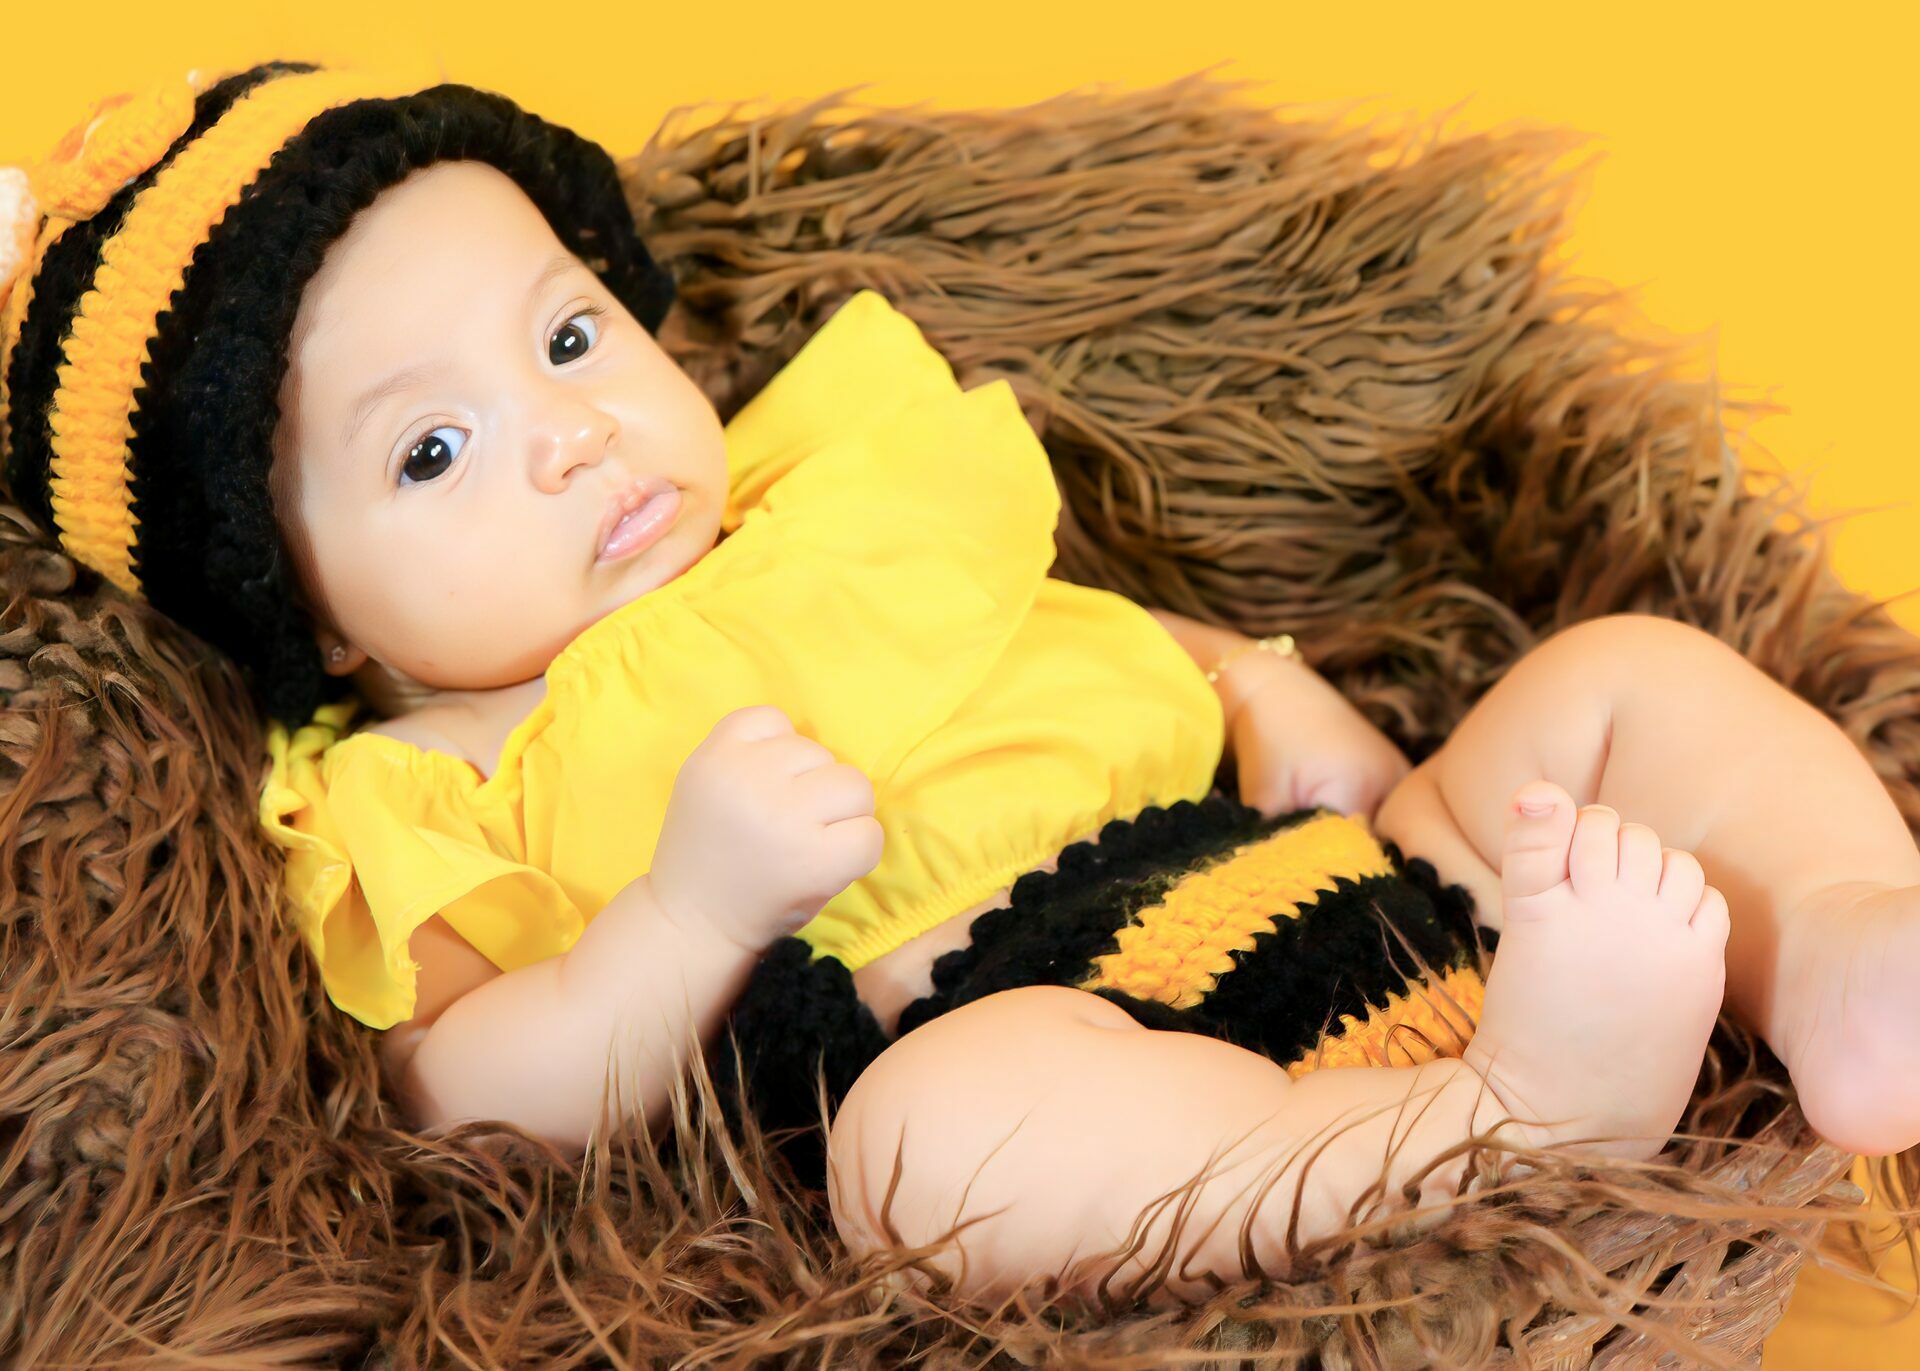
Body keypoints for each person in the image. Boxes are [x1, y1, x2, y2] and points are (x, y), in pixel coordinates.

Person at [4, 60, 1915, 1306]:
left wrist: (1268, 685)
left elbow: (1063, 627)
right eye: (434, 452)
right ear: (312, 613)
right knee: (928, 1158)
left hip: (1339, 865)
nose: (572, 435)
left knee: (1615, 677)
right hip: (1070, 1038)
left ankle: (1840, 944)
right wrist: (687, 916)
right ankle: (1496, 1122)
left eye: (570, 339)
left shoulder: (821, 498)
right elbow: (461, 1101)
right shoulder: (409, 787)